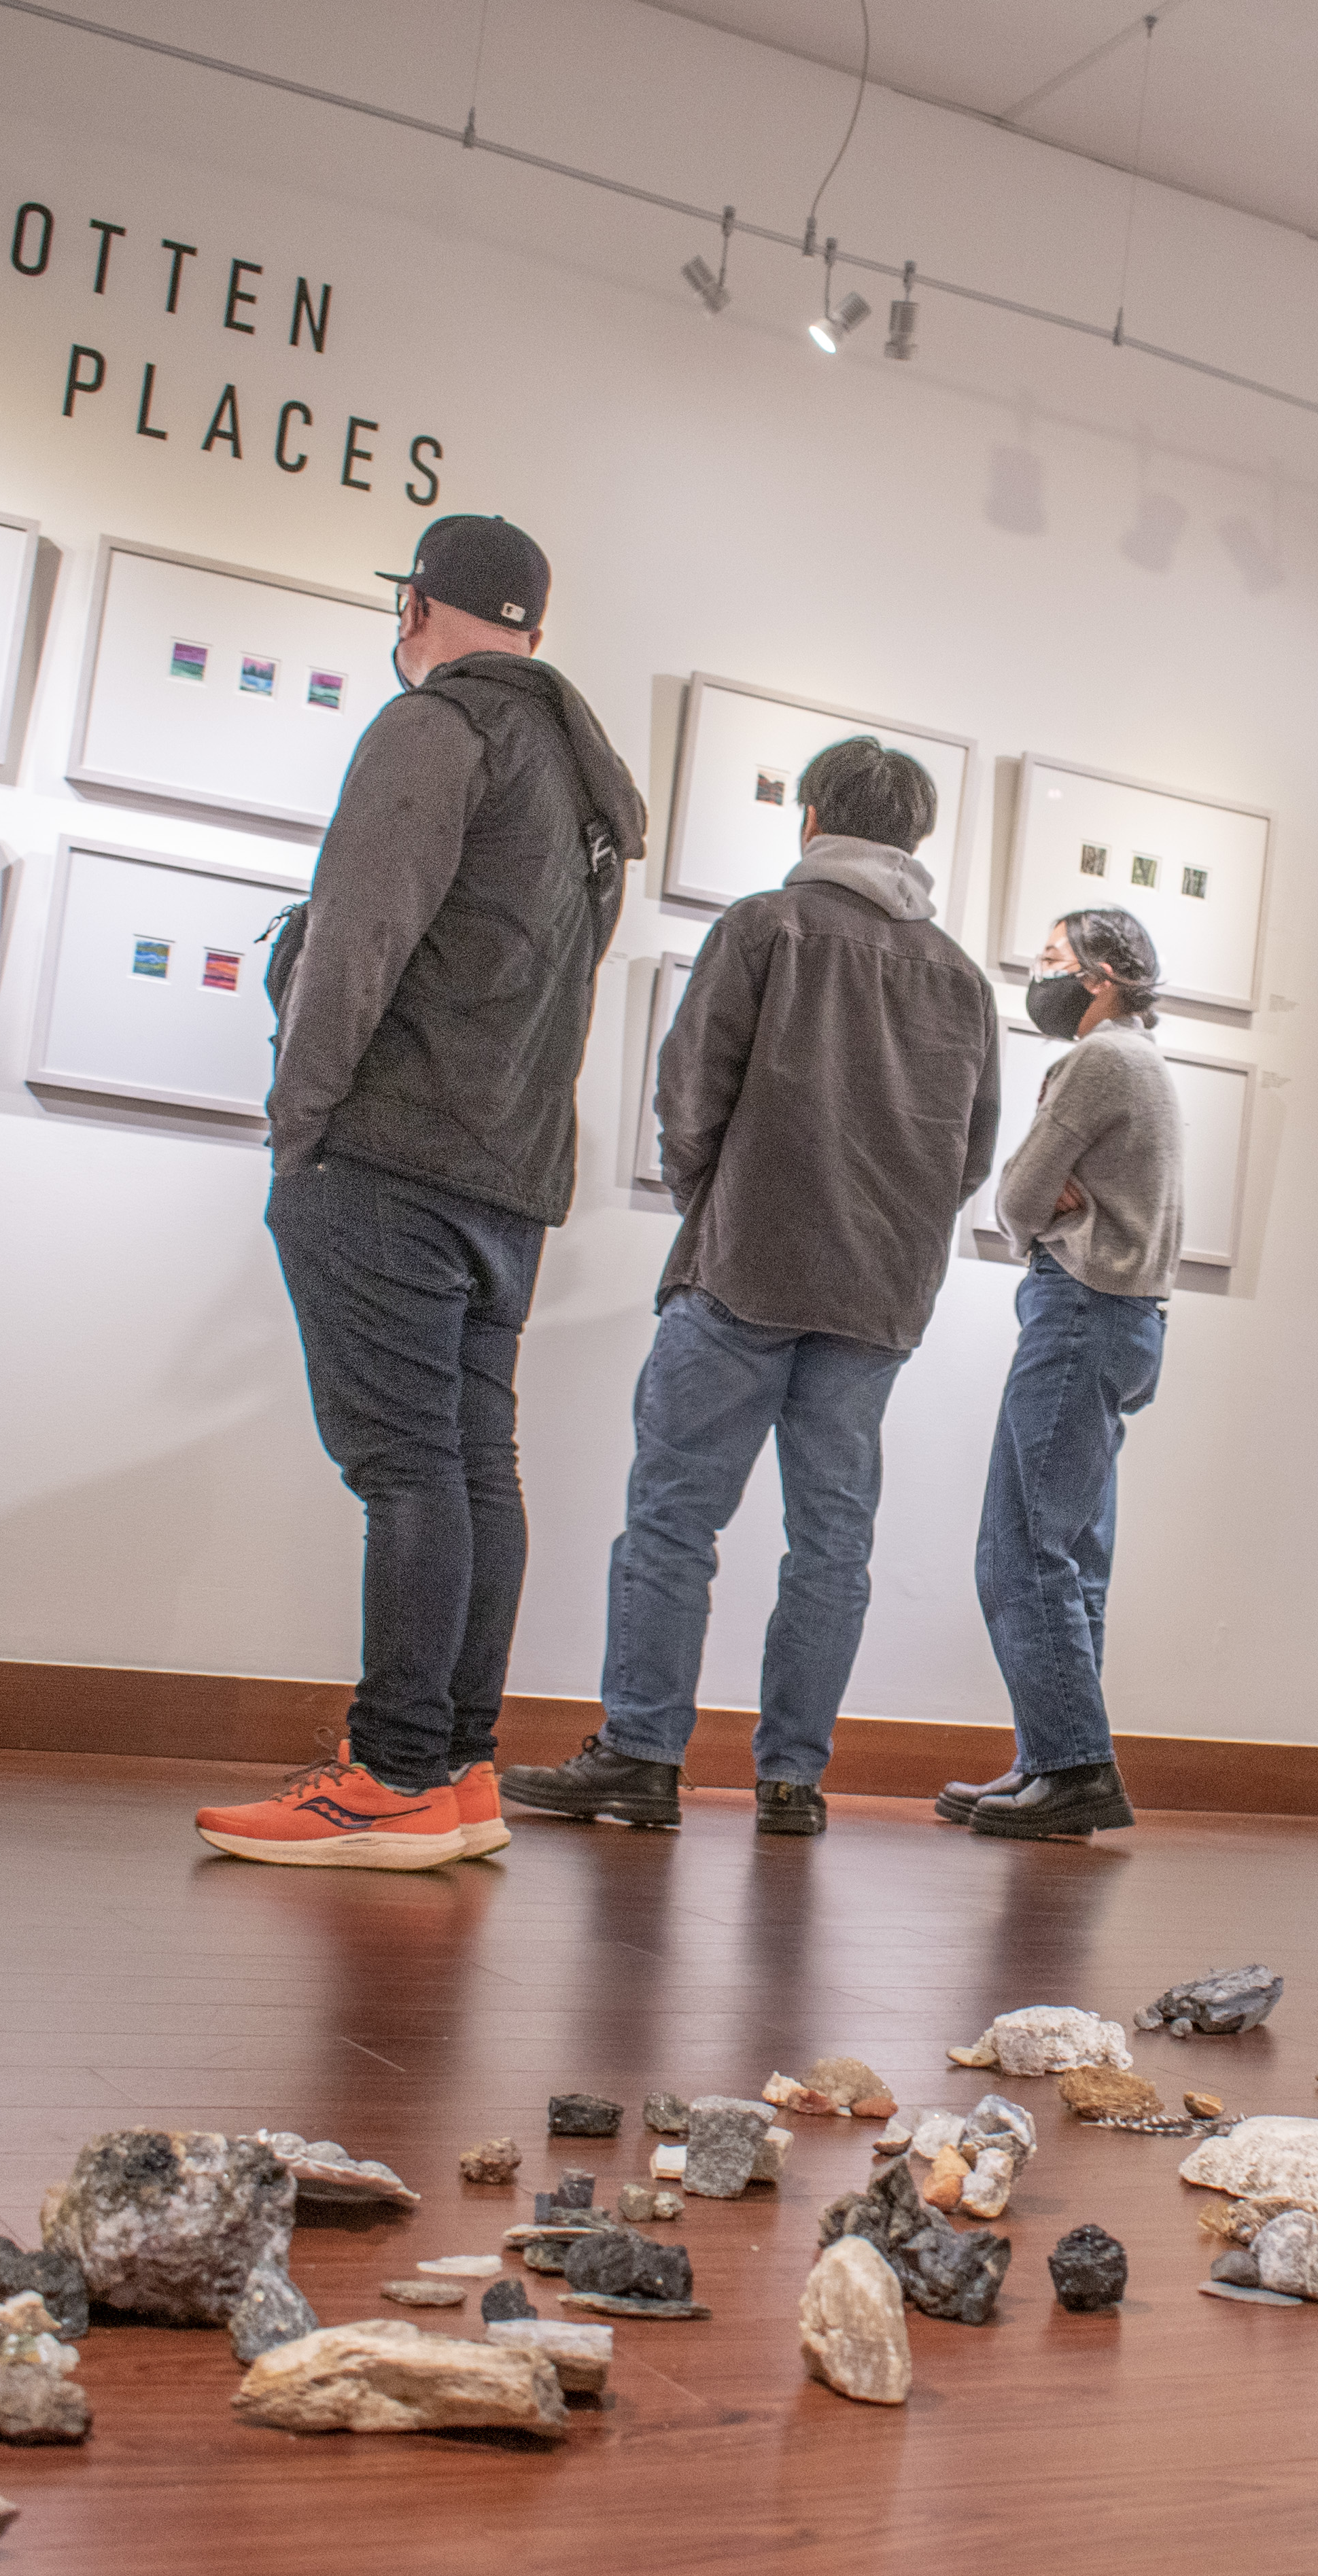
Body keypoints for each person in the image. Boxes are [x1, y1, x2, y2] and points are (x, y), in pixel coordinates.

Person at [196, 514, 644, 1870]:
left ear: (419, 606)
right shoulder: (584, 783)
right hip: (511, 1175)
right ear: (537, 629)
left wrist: (298, 1124)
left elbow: (355, 935)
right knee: (468, 1466)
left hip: (390, 1155)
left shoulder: (434, 730)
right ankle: (453, 1770)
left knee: (406, 1470)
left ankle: (389, 1774)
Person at [502, 737, 999, 1839]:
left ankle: (640, 1755)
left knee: (674, 1522)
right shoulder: (961, 976)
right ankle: (792, 1781)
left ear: (813, 816)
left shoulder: (766, 927)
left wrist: (711, 1200)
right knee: (833, 1540)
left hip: (745, 1271)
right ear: (915, 838)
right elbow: (970, 1154)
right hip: (876, 1301)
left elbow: (690, 1090)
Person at [933, 909, 1183, 1840]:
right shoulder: (1145, 1062)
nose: (1039, 975)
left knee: (1021, 1545)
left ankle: (1074, 1765)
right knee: (1072, 1553)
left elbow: (1015, 1196)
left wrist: (1032, 1207)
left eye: (1052, 960)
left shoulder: (1098, 1061)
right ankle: (1054, 1757)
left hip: (1078, 1309)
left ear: (1103, 973)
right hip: (1124, 1319)